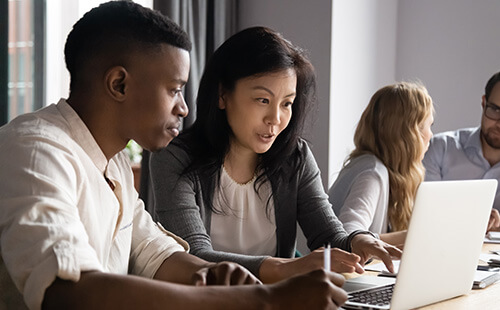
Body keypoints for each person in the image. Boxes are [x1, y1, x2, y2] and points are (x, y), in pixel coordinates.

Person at [0, 2, 352, 309]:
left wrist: (216, 275)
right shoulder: (37, 150)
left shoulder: (114, 163)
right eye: (174, 90)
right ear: (119, 84)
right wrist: (268, 301)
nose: (184, 108)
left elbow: (158, 255)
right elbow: (68, 292)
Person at [150, 26, 402, 285]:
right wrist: (287, 268)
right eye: (262, 100)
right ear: (222, 95)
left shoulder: (296, 157)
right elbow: (196, 259)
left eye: (286, 103)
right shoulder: (175, 158)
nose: (276, 119)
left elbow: (328, 235)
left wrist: (358, 241)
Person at [328, 82, 434, 247]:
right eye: (429, 126)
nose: (431, 135)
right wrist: (411, 236)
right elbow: (349, 235)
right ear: (410, 134)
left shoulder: (371, 166)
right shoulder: (372, 173)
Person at [423, 71, 500, 232]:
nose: (499, 124)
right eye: (495, 110)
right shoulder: (440, 148)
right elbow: (424, 216)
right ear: (484, 103)